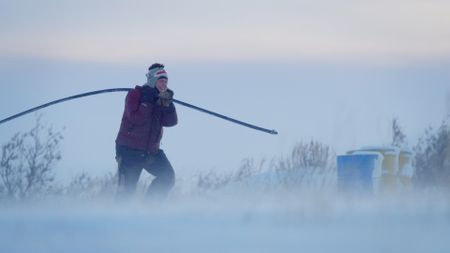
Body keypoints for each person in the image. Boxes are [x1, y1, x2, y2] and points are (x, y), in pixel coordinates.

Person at [115, 63, 178, 200]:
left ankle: (150, 208)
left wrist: (168, 106)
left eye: (166, 81)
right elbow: (135, 119)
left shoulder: (160, 99)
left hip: (150, 152)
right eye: (161, 81)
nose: (164, 84)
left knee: (168, 177)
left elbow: (170, 122)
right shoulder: (135, 94)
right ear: (152, 81)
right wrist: (147, 102)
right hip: (129, 152)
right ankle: (117, 219)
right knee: (126, 192)